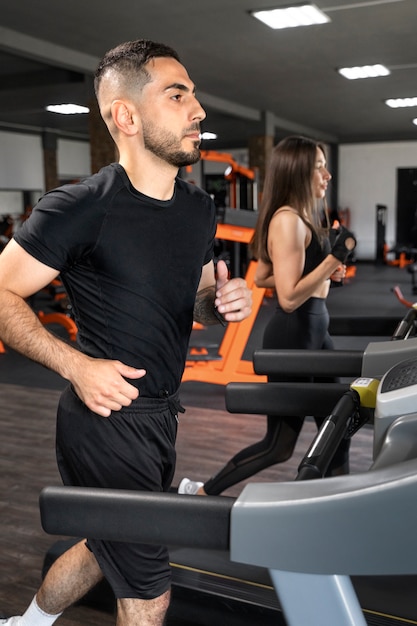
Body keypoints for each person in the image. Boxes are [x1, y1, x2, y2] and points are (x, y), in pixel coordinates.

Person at [0, 39, 252, 626]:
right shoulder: (82, 206)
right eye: (178, 94)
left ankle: (26, 623)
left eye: (193, 94)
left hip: (162, 415)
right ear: (126, 116)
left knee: (103, 545)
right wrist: (76, 367)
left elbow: (186, 305)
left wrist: (217, 304)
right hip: (104, 421)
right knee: (148, 593)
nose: (199, 111)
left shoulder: (195, 208)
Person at [180, 135, 356, 497]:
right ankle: (203, 493)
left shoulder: (305, 217)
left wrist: (327, 275)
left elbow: (263, 276)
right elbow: (289, 298)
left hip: (316, 333)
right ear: (299, 171)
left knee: (339, 432)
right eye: (320, 166)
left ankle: (343, 507)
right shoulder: (287, 221)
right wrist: (332, 262)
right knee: (279, 446)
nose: (328, 175)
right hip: (294, 334)